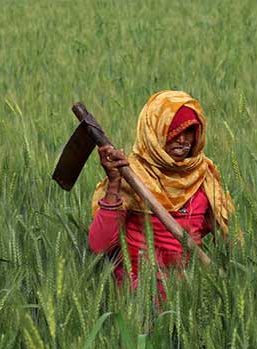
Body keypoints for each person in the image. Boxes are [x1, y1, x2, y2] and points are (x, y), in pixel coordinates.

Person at [88, 90, 235, 301]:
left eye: (190, 131)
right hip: (137, 298)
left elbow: (231, 241)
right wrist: (114, 185)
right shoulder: (131, 176)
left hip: (189, 299)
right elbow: (99, 245)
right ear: (154, 132)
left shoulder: (204, 176)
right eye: (174, 132)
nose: (183, 140)